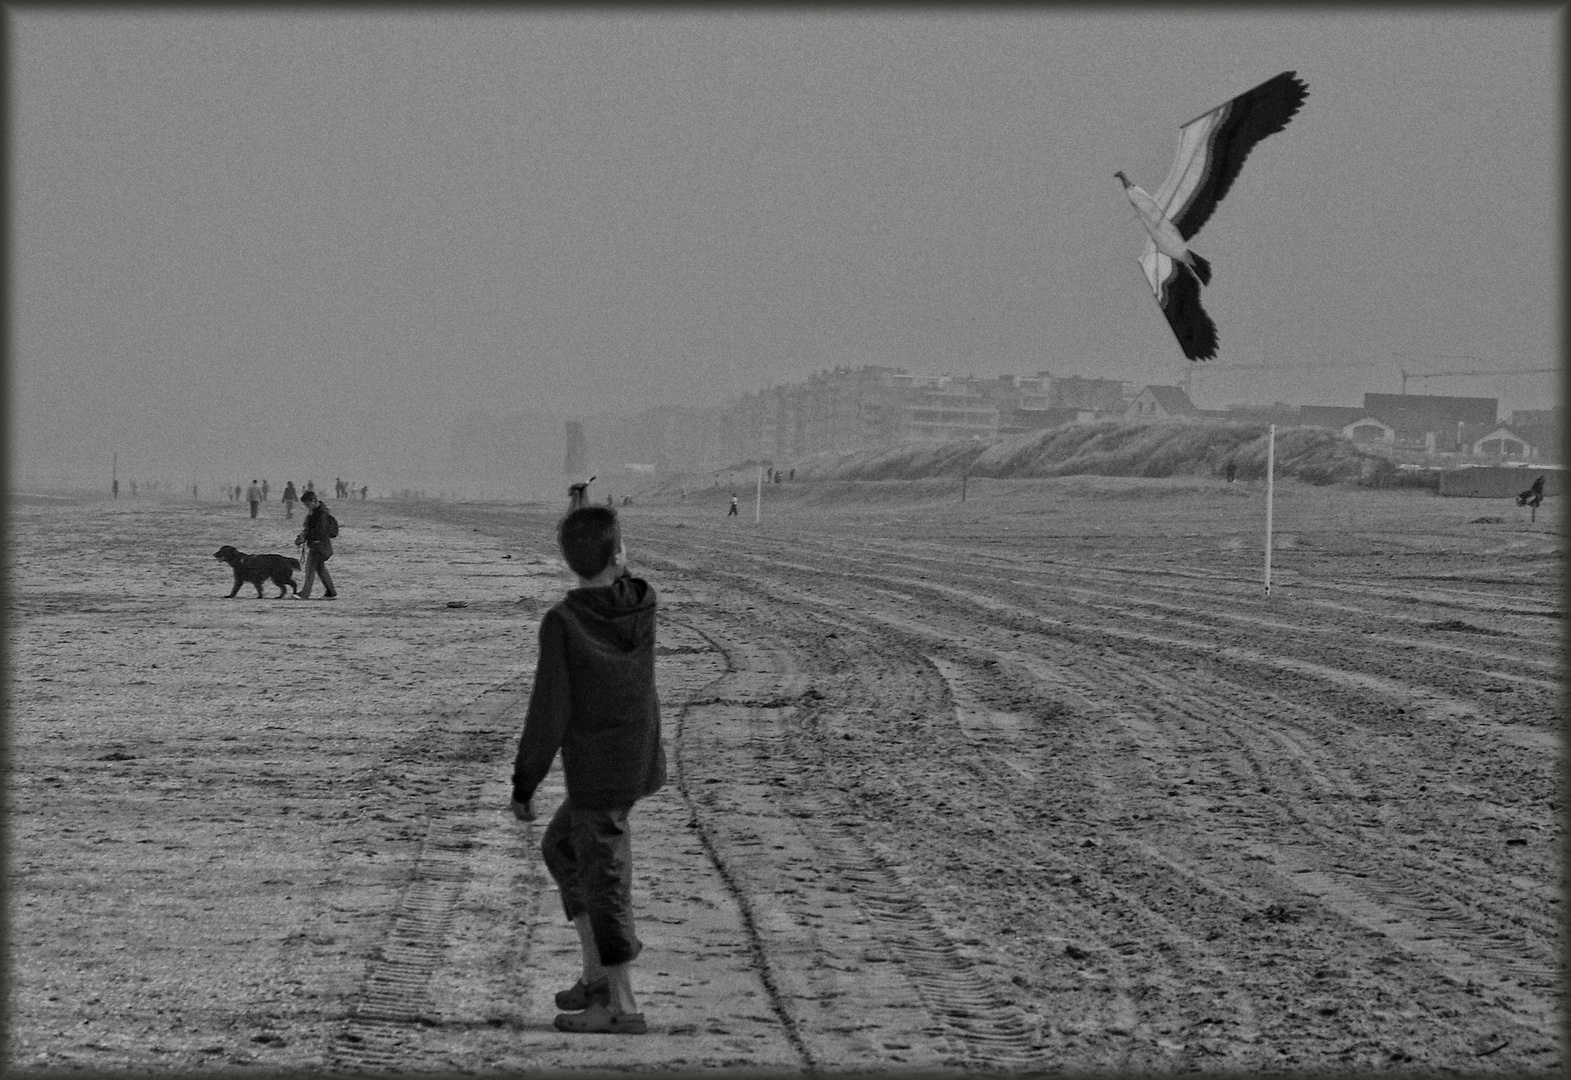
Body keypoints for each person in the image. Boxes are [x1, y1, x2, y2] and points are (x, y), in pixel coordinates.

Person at [510, 506, 664, 1036]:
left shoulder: (565, 622)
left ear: (567, 561)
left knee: (606, 881)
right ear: (619, 556)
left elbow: (548, 712)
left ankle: (623, 1007)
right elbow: (624, 576)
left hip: (600, 773)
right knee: (562, 847)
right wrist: (613, 554)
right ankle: (598, 973)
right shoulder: (640, 603)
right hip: (632, 762)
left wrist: (523, 784)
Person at [293, 490, 338, 599]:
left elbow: (319, 531)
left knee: (310, 569)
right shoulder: (316, 511)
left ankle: (305, 594)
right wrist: (303, 536)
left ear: (313, 501)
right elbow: (310, 528)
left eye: (307, 504)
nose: (306, 507)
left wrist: (305, 537)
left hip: (319, 546)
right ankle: (331, 592)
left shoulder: (320, 514)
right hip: (320, 545)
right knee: (320, 569)